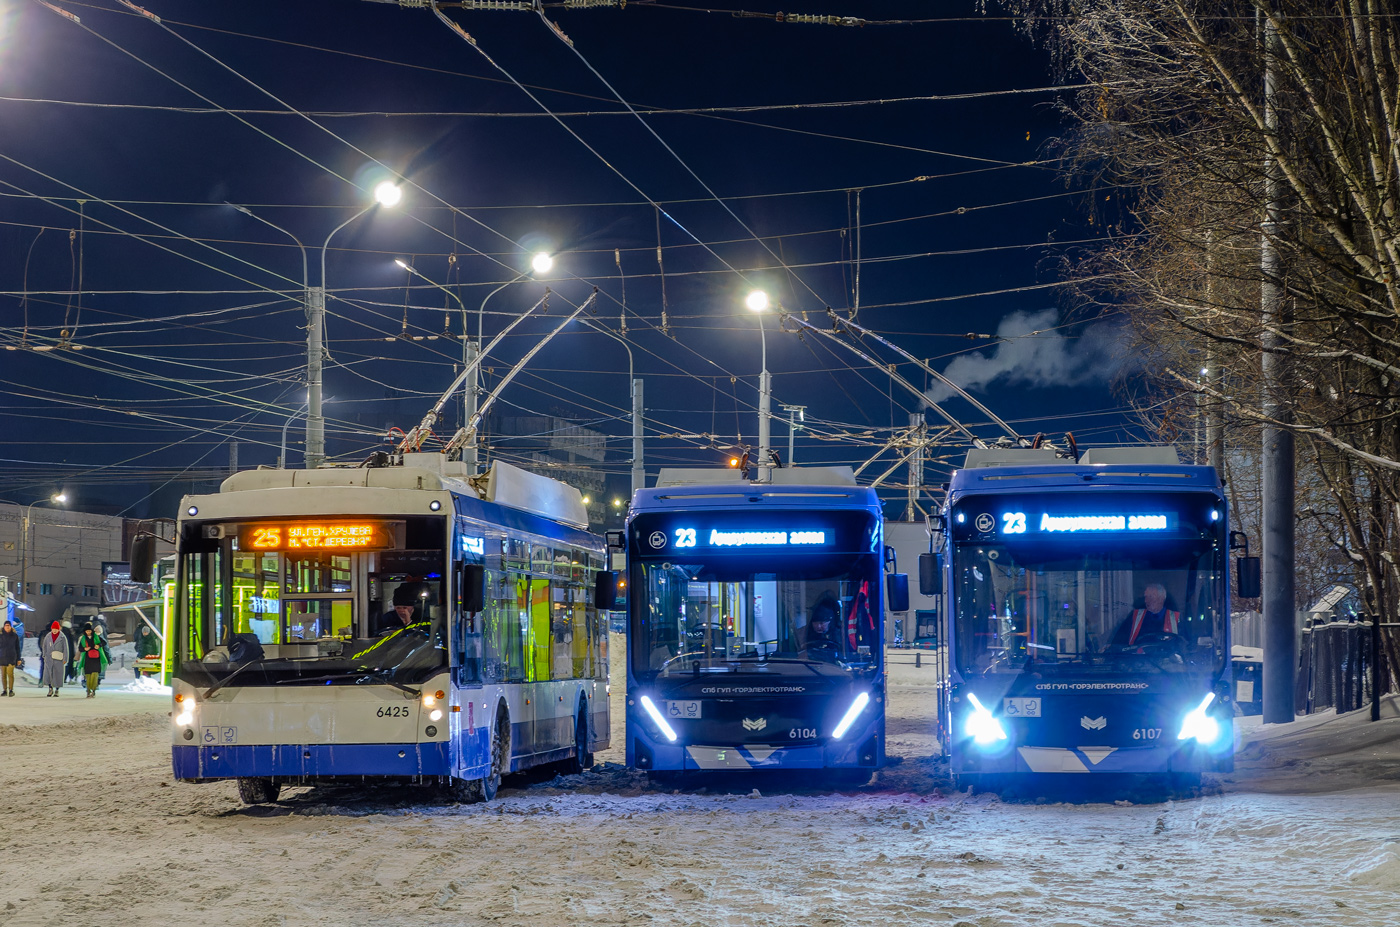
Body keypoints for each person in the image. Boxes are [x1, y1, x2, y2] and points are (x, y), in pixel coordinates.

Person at [1110, 583, 1181, 647]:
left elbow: (1183, 644)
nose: (1146, 601)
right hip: (1139, 656)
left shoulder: (1175, 618)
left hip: (1167, 656)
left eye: (1150, 597)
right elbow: (1119, 640)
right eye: (1145, 597)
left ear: (1161, 598)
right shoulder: (1135, 616)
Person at [73, 622, 110, 698]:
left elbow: (104, 642)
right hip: (87, 659)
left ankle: (93, 690)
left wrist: (98, 645)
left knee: (95, 675)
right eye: (87, 631)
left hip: (96, 659)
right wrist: (85, 649)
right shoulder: (83, 639)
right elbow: (80, 649)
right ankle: (88, 690)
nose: (88, 632)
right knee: (88, 675)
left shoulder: (96, 636)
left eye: (89, 631)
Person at [38, 620, 71, 696]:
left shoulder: (62, 637)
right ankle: (50, 689)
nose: (54, 630)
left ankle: (57, 689)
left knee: (57, 675)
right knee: (49, 674)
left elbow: (65, 649)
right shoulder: (48, 636)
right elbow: (44, 646)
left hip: (59, 659)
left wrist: (65, 658)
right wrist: (44, 655)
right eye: (53, 629)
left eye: (56, 629)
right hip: (49, 658)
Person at [0, 620, 21, 696]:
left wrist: (18, 658)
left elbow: (17, 648)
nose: (7, 627)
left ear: (10, 627)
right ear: (4, 627)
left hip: (11, 658)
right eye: (6, 626)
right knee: (3, 675)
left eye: (8, 626)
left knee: (10, 674)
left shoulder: (14, 636)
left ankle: (11, 690)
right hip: (2, 658)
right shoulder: (1, 636)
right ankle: (4, 690)